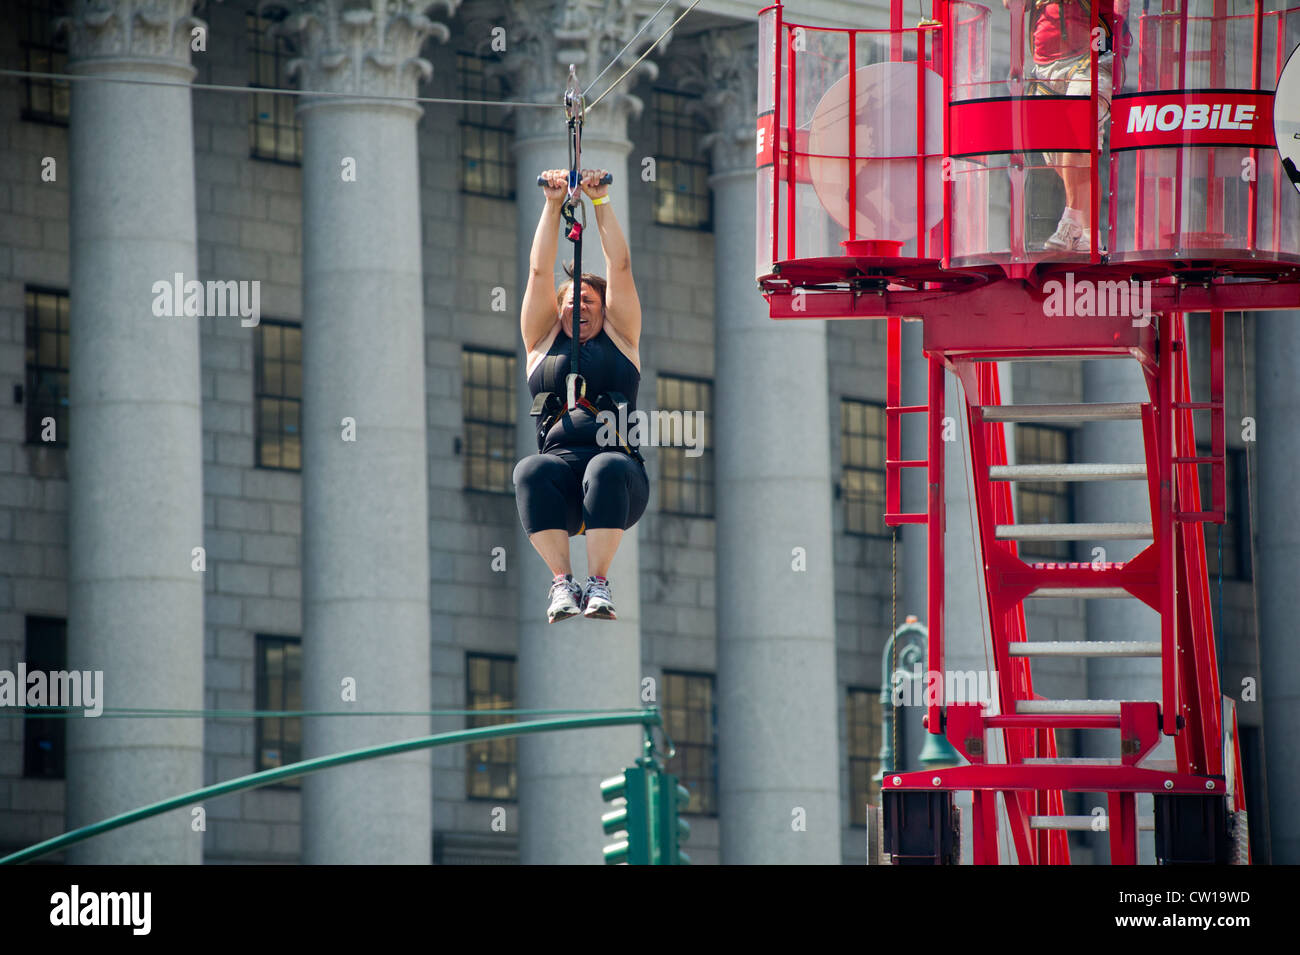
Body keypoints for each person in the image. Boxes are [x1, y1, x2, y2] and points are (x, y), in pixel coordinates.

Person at [513, 167, 647, 623]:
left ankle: (599, 582)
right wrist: (552, 207)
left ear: (604, 310)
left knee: (606, 464)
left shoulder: (622, 339)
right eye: (570, 301)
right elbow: (537, 271)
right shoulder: (540, 345)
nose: (578, 306)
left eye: (588, 301)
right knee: (530, 469)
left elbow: (621, 268)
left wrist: (601, 203)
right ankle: (561, 583)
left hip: (618, 479)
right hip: (562, 485)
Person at [1010, 0, 1130, 252]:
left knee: (1075, 129)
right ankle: (1088, 234)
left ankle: (1071, 221)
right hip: (1044, 66)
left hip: (1092, 57)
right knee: (1061, 156)